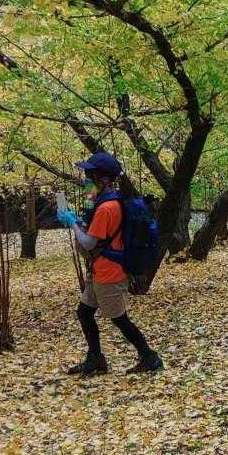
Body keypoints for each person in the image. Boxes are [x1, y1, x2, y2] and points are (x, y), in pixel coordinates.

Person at [62, 152, 163, 376]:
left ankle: (149, 357)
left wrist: (72, 224)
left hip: (110, 273)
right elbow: (96, 232)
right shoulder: (107, 201)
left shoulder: (107, 208)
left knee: (120, 319)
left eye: (90, 176)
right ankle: (96, 359)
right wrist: (79, 218)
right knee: (84, 312)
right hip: (99, 270)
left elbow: (89, 242)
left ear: (104, 180)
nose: (86, 180)